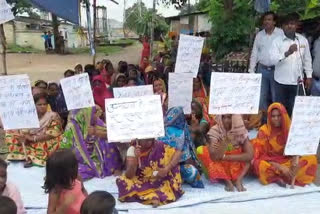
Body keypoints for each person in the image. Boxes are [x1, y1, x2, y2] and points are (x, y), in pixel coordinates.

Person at [252, 103, 317, 187]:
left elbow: (298, 149)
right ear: (269, 117)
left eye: (279, 116)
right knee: (258, 164)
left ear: (283, 115)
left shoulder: (290, 129)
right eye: (273, 116)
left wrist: (295, 161)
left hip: (287, 161)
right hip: (271, 163)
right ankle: (282, 177)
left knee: (311, 159)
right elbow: (260, 156)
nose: (276, 119)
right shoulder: (264, 131)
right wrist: (280, 167)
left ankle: (282, 177)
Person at [116, 139, 184, 207]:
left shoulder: (159, 145)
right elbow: (129, 176)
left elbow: (178, 152)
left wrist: (166, 169)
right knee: (121, 182)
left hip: (160, 178)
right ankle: (152, 196)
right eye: (146, 140)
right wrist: (136, 158)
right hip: (141, 180)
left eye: (151, 139)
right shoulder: (132, 149)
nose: (149, 141)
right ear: (139, 139)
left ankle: (151, 196)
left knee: (169, 182)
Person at [270, 14, 313, 117]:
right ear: (282, 26)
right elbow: (273, 60)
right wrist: (287, 53)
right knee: (281, 111)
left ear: (296, 25)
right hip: (281, 82)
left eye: (292, 23)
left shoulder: (303, 40)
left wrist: (309, 76)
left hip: (298, 82)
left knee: (296, 110)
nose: (289, 26)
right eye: (286, 24)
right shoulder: (276, 41)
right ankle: (283, 132)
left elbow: (307, 59)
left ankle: (294, 131)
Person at [62, 107, 122, 180]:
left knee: (106, 142)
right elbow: (65, 149)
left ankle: (115, 167)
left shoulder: (95, 121)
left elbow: (111, 133)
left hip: (96, 155)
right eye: (93, 113)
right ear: (84, 115)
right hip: (81, 159)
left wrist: (96, 132)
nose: (96, 116)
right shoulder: (71, 126)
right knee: (72, 172)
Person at [197, 115, 253, 192]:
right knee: (203, 151)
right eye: (224, 117)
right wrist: (226, 141)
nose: (226, 120)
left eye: (229, 117)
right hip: (221, 163)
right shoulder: (215, 130)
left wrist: (224, 157)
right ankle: (226, 180)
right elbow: (214, 156)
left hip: (234, 163)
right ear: (220, 118)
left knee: (253, 152)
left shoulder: (240, 129)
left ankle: (238, 180)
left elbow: (250, 155)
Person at [6, 93, 63, 167]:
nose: (43, 106)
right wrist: (22, 137)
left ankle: (33, 157)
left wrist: (33, 138)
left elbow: (53, 133)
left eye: (45, 104)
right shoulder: (29, 115)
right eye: (39, 104)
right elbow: (23, 129)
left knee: (51, 143)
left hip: (44, 139)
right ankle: (23, 156)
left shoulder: (53, 116)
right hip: (29, 139)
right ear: (34, 105)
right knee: (9, 133)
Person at [249, 12, 283, 124]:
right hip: (262, 70)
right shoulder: (259, 35)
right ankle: (263, 124)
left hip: (276, 70)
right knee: (261, 98)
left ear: (274, 21)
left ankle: (276, 124)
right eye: (265, 20)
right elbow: (254, 53)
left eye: (269, 19)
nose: (266, 22)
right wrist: (251, 71)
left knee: (276, 98)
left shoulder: (281, 34)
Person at [159, 107, 204, 188]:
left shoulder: (159, 130)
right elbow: (186, 158)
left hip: (158, 169)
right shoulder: (181, 132)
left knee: (153, 172)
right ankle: (176, 178)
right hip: (174, 168)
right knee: (192, 171)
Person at [44, 149, 87, 214]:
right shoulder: (55, 191)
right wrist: (65, 204)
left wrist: (88, 202)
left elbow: (83, 190)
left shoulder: (77, 177)